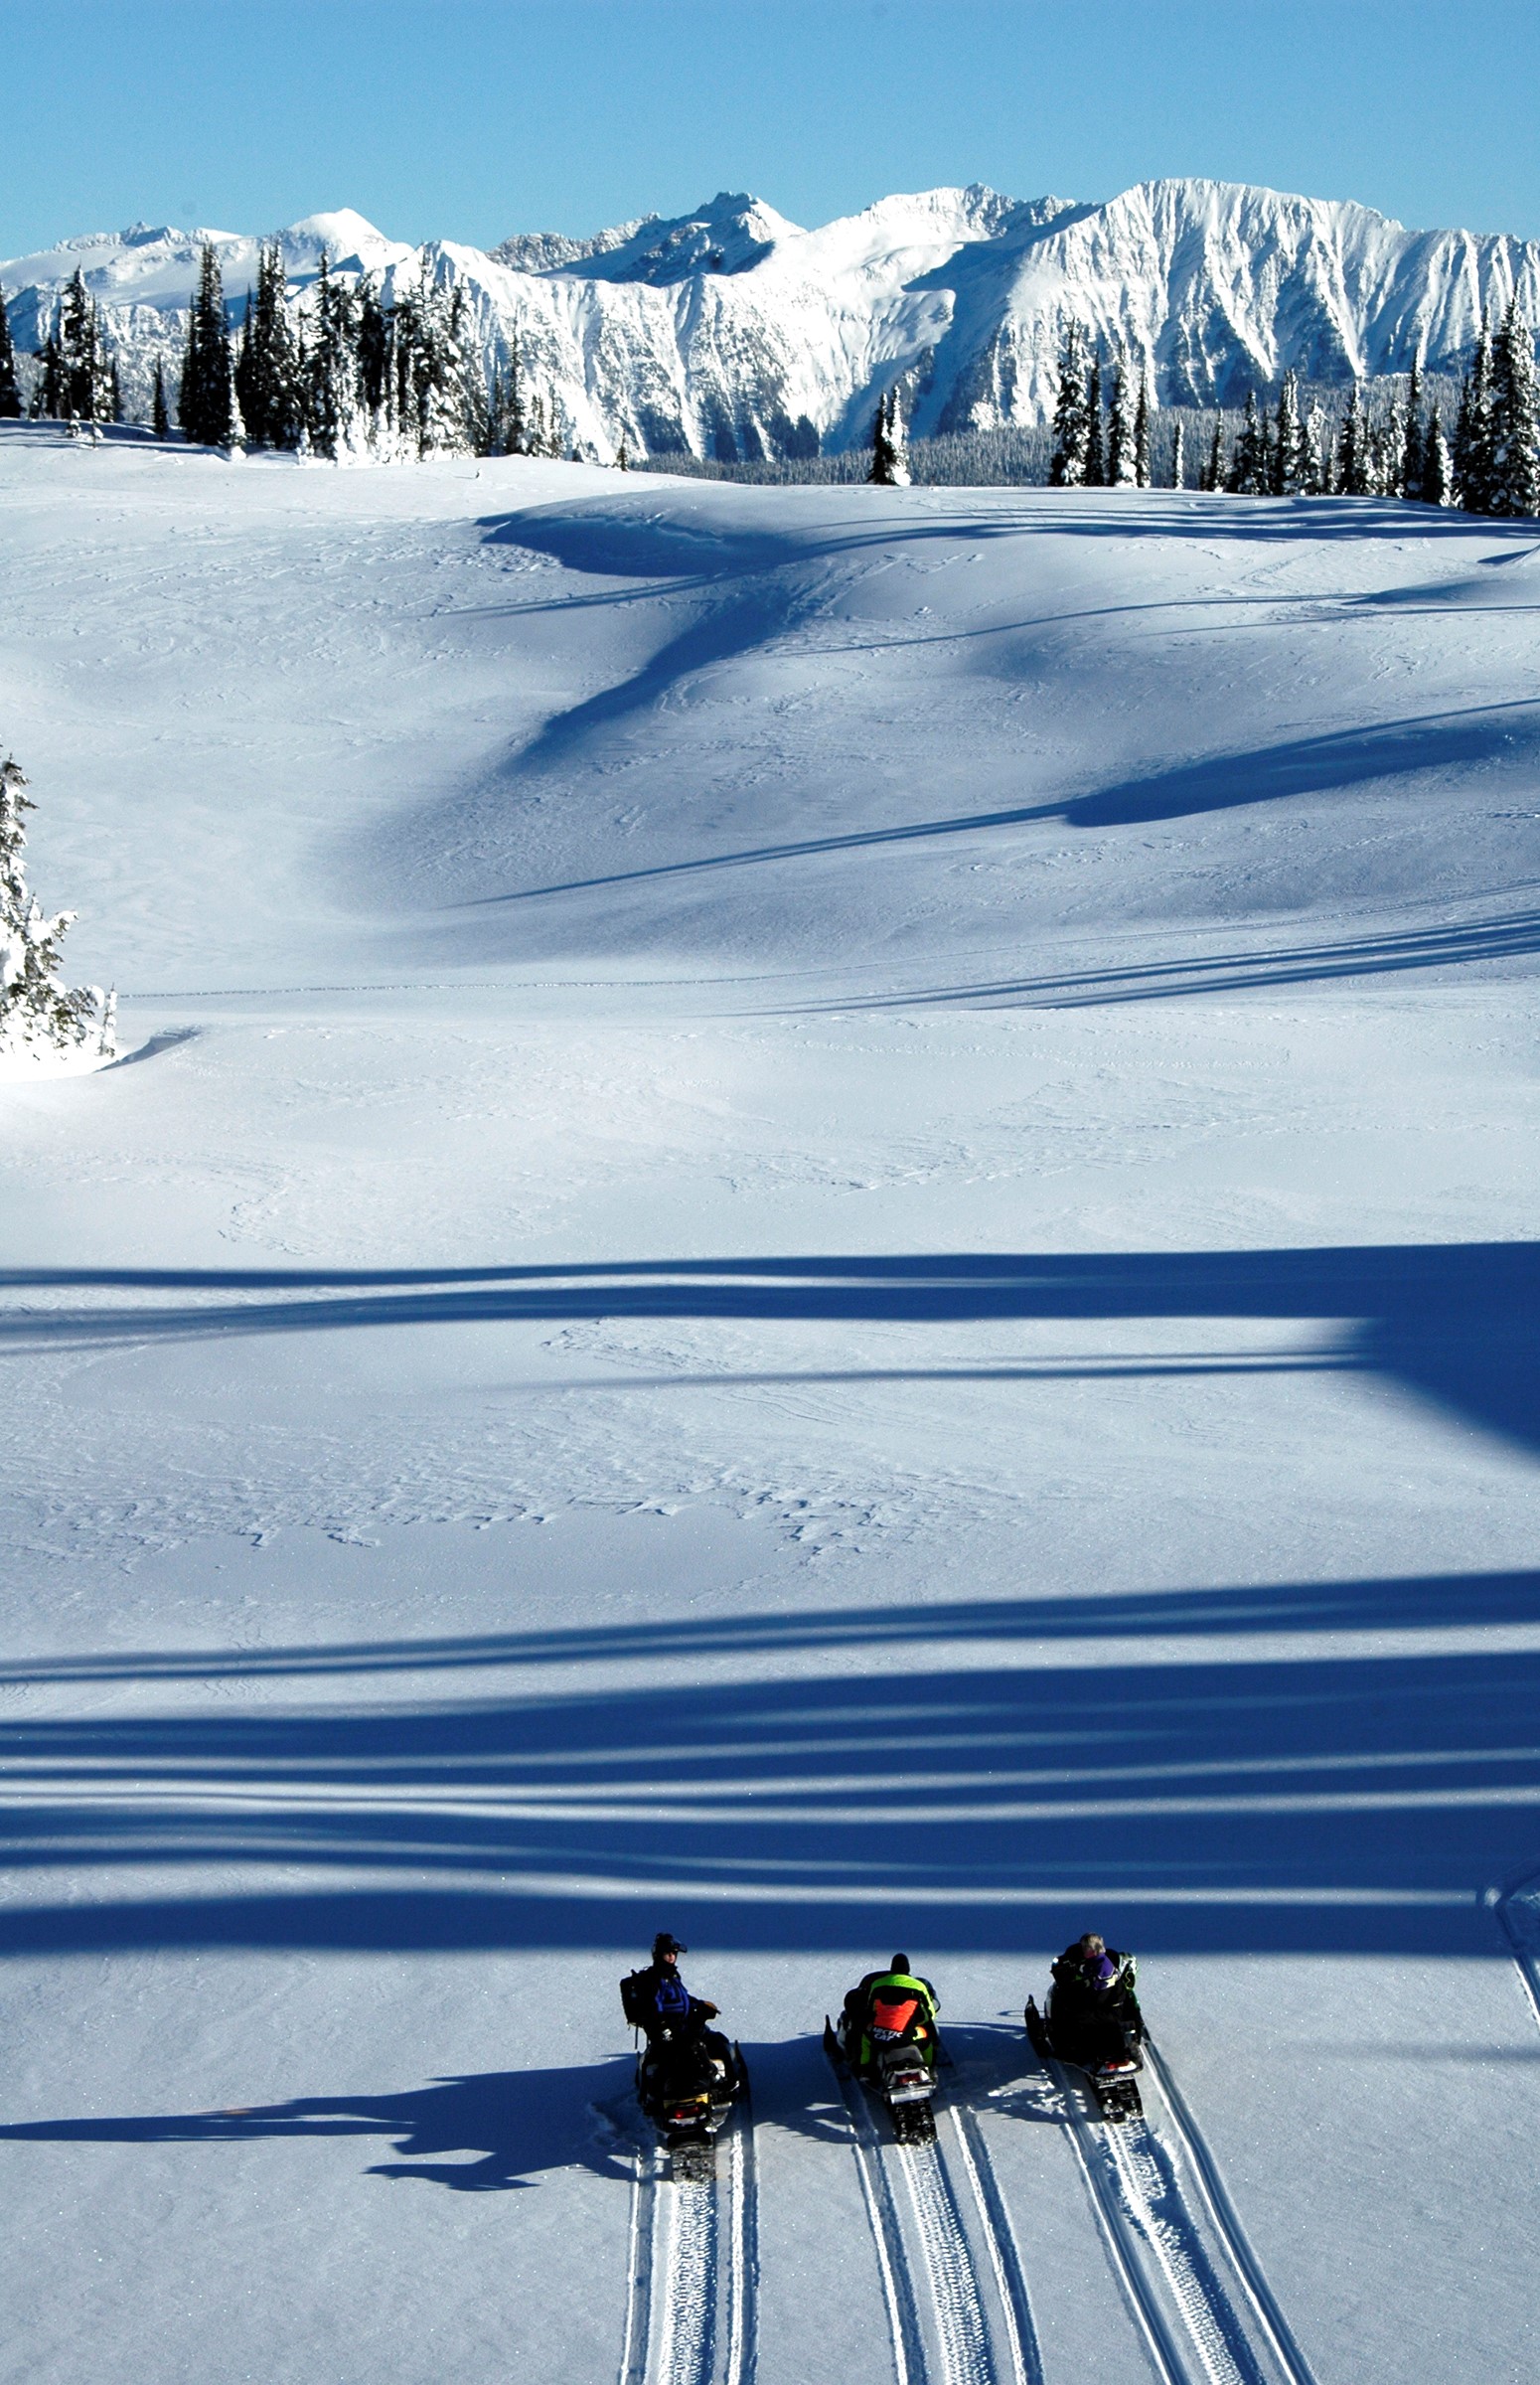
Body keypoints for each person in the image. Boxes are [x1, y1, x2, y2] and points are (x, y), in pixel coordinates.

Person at [624, 1932, 733, 2079]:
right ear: (658, 1954)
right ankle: (714, 2077)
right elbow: (653, 2007)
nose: (671, 1956)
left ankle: (729, 2080)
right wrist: (663, 2026)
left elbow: (682, 1997)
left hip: (684, 2025)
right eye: (667, 1953)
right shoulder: (654, 1979)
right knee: (695, 2046)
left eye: (674, 1953)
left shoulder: (671, 1975)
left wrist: (701, 2005)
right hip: (670, 2030)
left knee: (718, 2041)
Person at [1049, 1933, 1143, 2067]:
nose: (1082, 1951)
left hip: (1110, 2009)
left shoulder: (1103, 1968)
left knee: (1075, 2017)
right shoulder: (1099, 1961)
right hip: (1108, 2003)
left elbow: (1099, 1995)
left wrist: (1081, 1996)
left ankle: (1074, 2053)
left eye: (1084, 1948)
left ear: (1091, 1950)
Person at [841, 1953, 941, 2072]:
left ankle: (865, 2069)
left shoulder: (877, 1984)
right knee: (926, 2039)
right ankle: (929, 2067)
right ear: (908, 1969)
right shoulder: (918, 1986)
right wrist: (917, 2021)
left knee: (865, 2039)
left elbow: (870, 2008)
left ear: (892, 1968)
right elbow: (929, 2014)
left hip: (879, 2035)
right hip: (906, 2037)